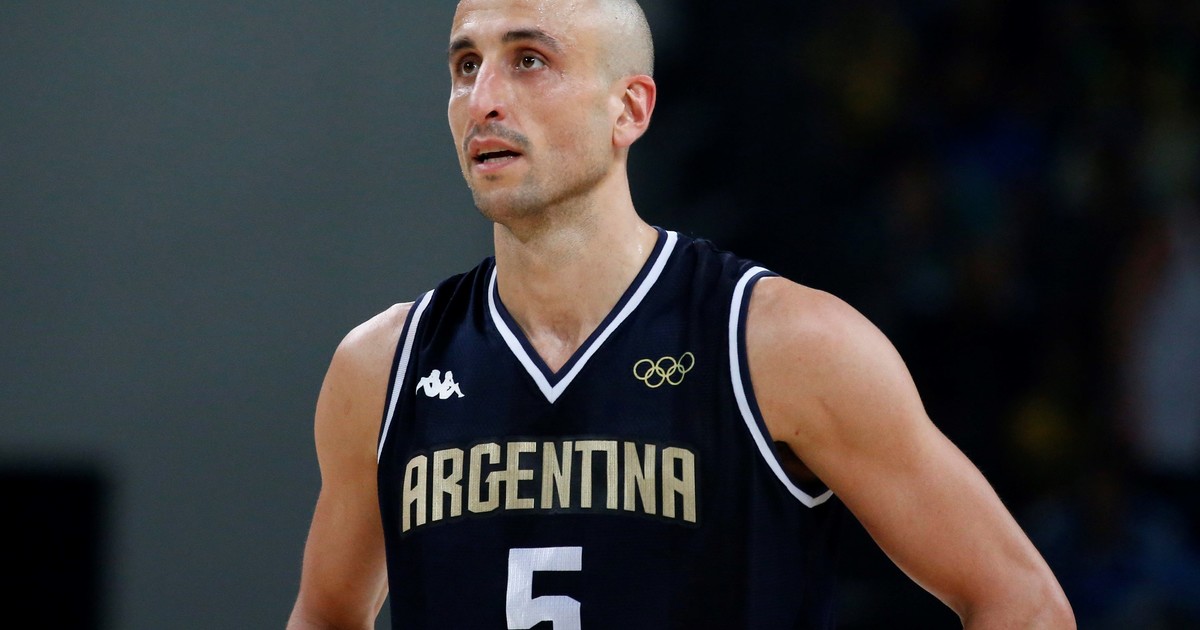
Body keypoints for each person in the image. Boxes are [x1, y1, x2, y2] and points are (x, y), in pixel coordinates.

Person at [287, 0, 1075, 627]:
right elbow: (325, 613)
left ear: (629, 108)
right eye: (466, 66)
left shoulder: (781, 344)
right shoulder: (383, 367)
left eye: (528, 60)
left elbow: (1022, 602)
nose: (483, 100)